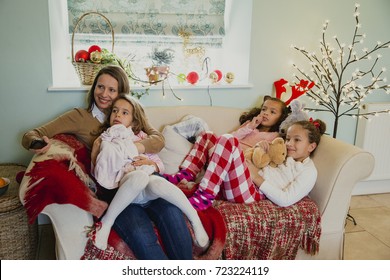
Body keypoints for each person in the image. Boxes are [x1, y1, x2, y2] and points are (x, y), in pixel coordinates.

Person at [21, 65, 194, 260]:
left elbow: (158, 139)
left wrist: (139, 153)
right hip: (118, 189)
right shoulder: (80, 116)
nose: (104, 94)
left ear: (121, 92)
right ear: (93, 87)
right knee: (141, 234)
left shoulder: (129, 112)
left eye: (112, 90)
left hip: (148, 180)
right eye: (100, 87)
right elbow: (32, 133)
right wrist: (36, 142)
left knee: (174, 219)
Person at [91, 95, 209, 251]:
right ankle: (107, 223)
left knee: (157, 182)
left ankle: (194, 218)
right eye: (114, 111)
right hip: (127, 189)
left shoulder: (143, 138)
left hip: (147, 189)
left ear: (134, 121)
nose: (118, 115)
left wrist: (151, 164)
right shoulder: (106, 138)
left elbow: (160, 165)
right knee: (139, 177)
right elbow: (99, 170)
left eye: (124, 112)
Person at [163, 96, 289, 210]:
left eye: (272, 112)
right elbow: (231, 138)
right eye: (264, 109)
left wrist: (260, 148)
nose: (266, 113)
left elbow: (268, 162)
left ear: (280, 119)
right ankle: (185, 174)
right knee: (208, 136)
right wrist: (250, 126)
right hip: (224, 164)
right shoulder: (249, 126)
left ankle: (205, 195)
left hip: (242, 174)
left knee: (228, 140)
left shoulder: (275, 137)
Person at [247, 119, 326, 207]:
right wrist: (259, 147)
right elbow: (261, 159)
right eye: (288, 139)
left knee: (231, 142)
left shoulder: (308, 171)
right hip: (248, 176)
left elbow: (285, 199)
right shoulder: (283, 154)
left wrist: (255, 177)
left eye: (297, 140)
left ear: (311, 147)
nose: (289, 143)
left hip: (254, 189)